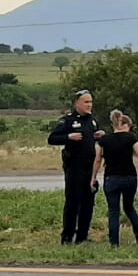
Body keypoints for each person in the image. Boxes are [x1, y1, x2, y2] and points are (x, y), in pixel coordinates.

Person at [47, 89, 105, 244]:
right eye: (86, 102)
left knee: (88, 202)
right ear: (77, 103)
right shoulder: (68, 120)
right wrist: (68, 137)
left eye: (91, 102)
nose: (89, 105)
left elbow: (91, 138)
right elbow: (52, 138)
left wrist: (97, 136)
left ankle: (82, 237)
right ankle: (67, 237)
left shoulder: (92, 121)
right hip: (74, 166)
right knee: (73, 202)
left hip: (90, 166)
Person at [93, 109, 138, 247]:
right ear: (125, 125)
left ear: (113, 124)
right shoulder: (131, 138)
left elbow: (98, 160)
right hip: (129, 177)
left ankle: (114, 243)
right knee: (129, 207)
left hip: (111, 177)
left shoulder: (104, 140)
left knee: (113, 211)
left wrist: (93, 177)